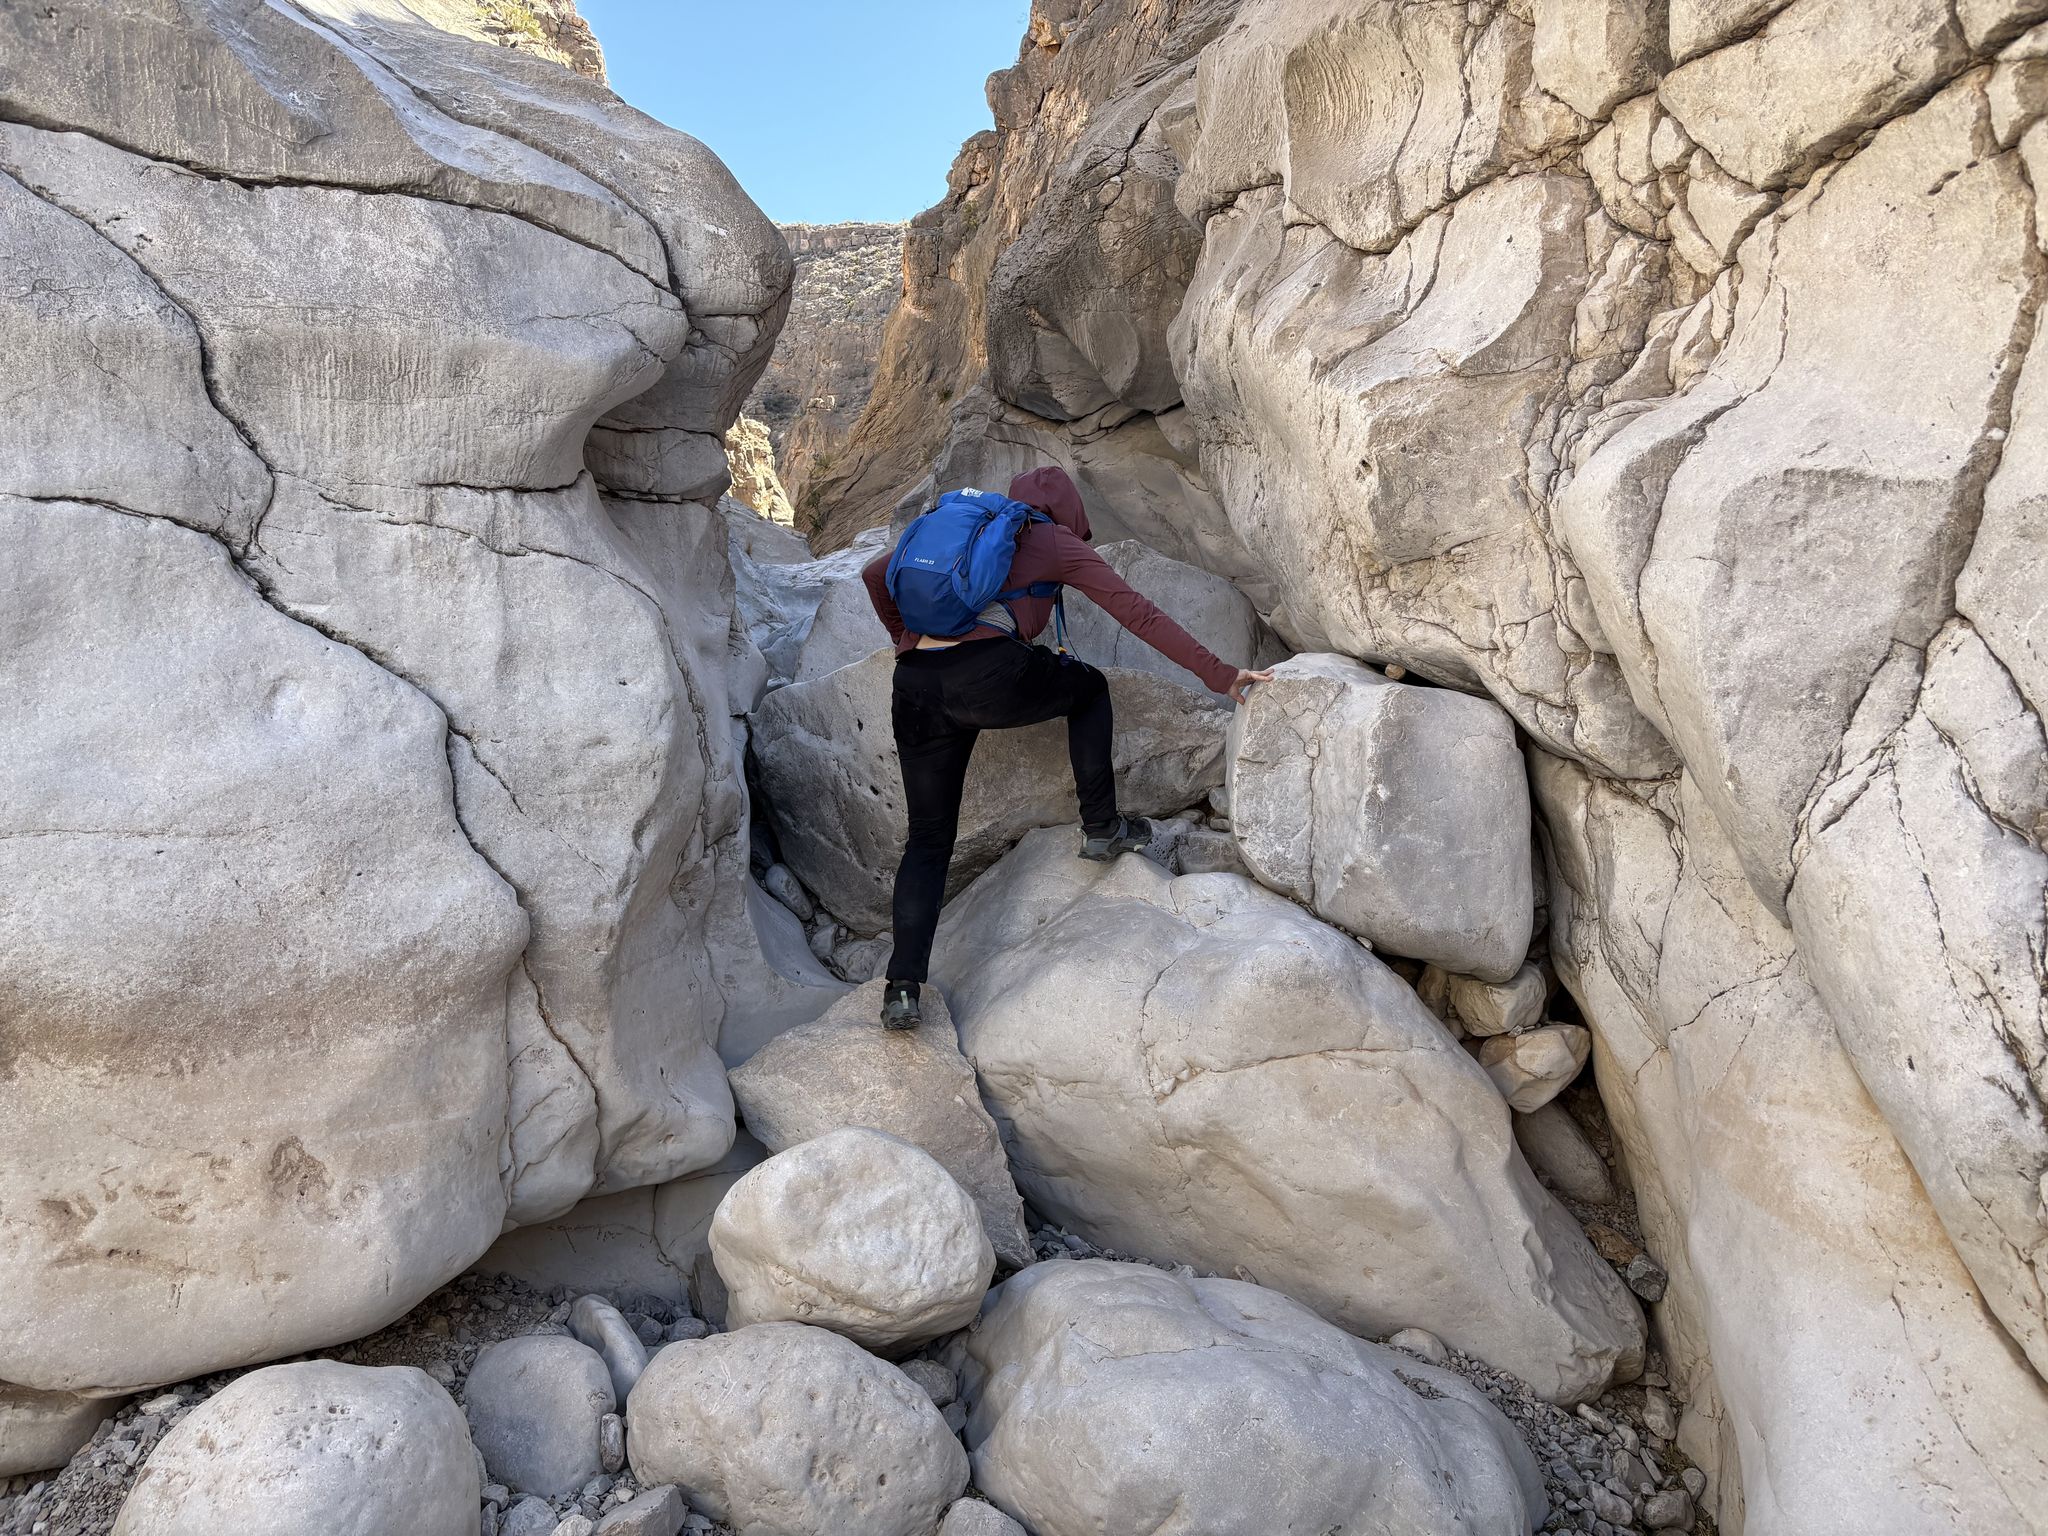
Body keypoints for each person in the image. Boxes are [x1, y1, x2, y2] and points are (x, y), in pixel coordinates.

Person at [861, 465, 1272, 1029]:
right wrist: (1220, 675)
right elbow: (1138, 613)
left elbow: (874, 573)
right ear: (1070, 513)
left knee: (929, 839)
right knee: (1090, 688)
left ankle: (902, 988)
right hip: (989, 677)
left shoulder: (972, 529)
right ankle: (1102, 827)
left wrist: (907, 641)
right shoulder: (1052, 539)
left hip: (915, 685)